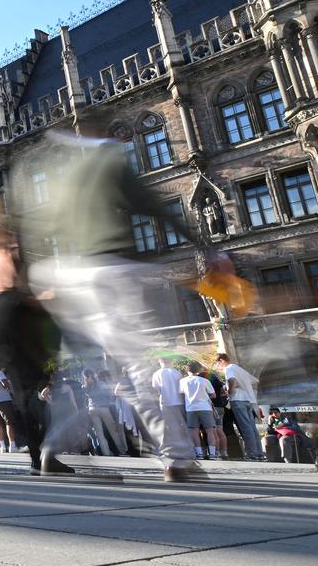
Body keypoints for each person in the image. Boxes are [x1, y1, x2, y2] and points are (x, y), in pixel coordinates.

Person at [24, 122, 200, 482]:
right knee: (138, 370)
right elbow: (156, 206)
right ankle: (178, 460)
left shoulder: (58, 175)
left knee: (85, 369)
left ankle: (52, 447)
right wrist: (200, 245)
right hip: (111, 272)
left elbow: (41, 227)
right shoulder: (106, 160)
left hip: (68, 277)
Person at [213, 353, 265, 462]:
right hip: (248, 399)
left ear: (222, 360)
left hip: (238, 399)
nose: (218, 365)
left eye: (218, 363)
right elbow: (255, 380)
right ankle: (259, 453)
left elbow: (232, 380)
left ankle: (252, 453)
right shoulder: (238, 369)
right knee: (252, 427)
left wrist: (229, 391)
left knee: (245, 427)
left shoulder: (229, 368)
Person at [179, 361, 219, 460]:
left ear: (187, 370)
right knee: (210, 431)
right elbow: (213, 395)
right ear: (199, 369)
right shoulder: (204, 381)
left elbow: (181, 394)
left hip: (191, 408)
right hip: (205, 407)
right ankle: (212, 454)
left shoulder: (182, 381)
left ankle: (199, 453)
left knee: (194, 431)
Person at [83, 369, 126, 456]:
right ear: (93, 374)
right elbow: (109, 394)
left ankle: (106, 453)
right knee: (113, 431)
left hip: (92, 409)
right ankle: (122, 451)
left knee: (99, 434)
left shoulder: (84, 386)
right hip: (103, 408)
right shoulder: (100, 384)